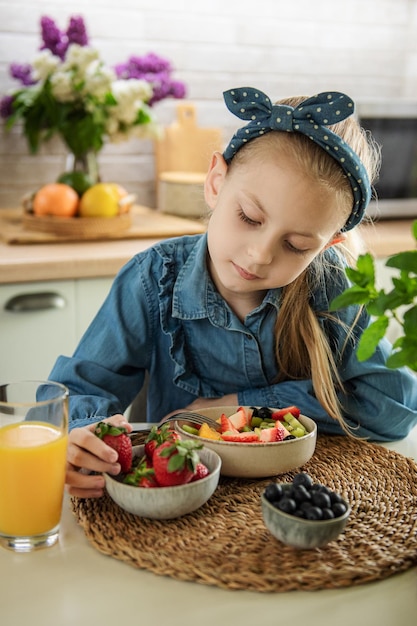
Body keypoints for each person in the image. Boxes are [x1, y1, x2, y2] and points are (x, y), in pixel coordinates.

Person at [50, 87, 417, 498]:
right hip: (181, 499)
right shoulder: (151, 278)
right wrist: (82, 436)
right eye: (249, 217)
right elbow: (79, 390)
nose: (259, 256)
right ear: (215, 182)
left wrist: (236, 405)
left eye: (296, 246)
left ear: (326, 246)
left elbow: (397, 404)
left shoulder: (329, 286)